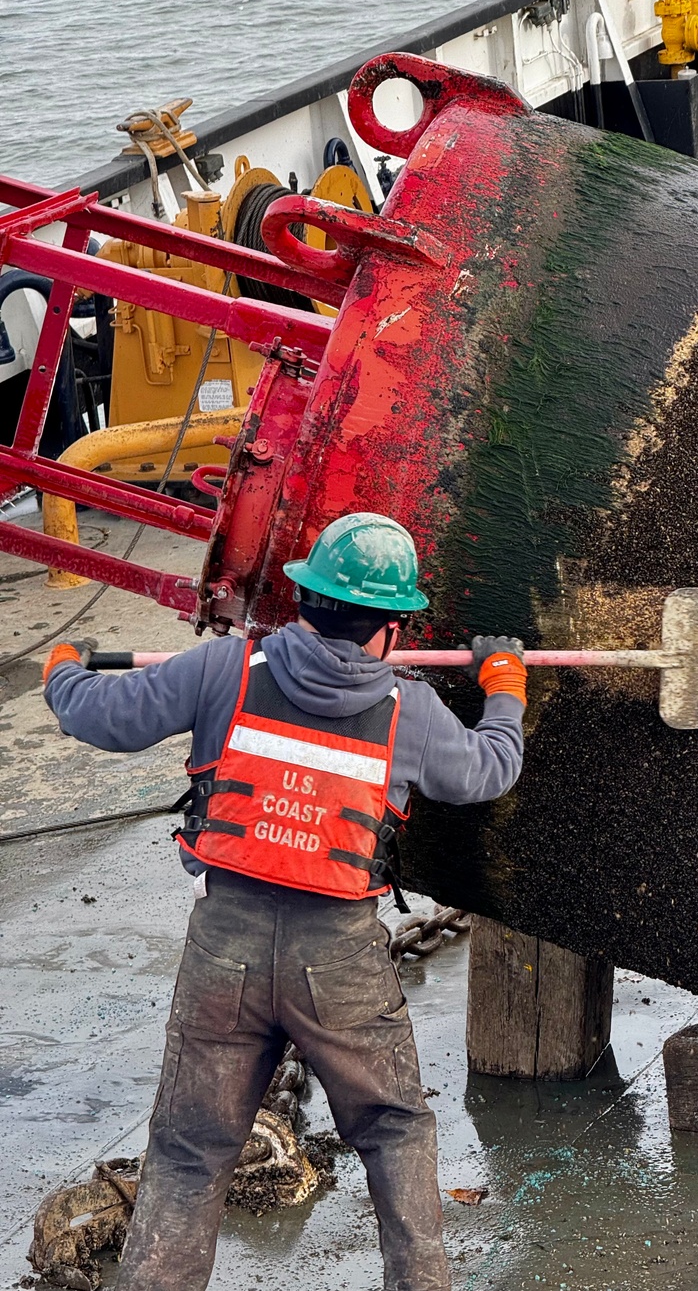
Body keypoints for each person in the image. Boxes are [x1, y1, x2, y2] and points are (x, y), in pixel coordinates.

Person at [42, 511, 527, 1291]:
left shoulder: (223, 671)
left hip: (222, 951)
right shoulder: (410, 713)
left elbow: (96, 713)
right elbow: (490, 768)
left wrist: (64, 665)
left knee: (190, 1149)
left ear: (305, 600)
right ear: (392, 630)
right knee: (396, 1128)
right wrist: (504, 683)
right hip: (339, 961)